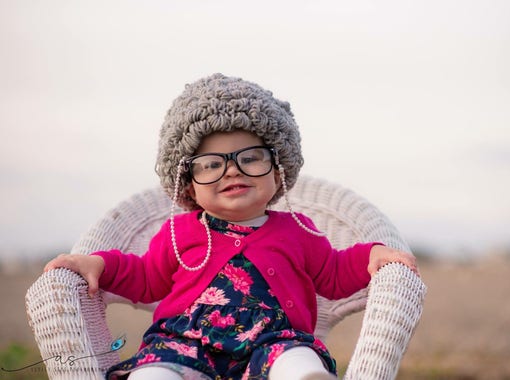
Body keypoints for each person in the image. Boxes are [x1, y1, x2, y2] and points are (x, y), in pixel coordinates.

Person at [44, 73, 418, 380]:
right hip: (183, 344)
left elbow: (334, 273)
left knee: (298, 359)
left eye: (251, 157)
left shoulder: (297, 230)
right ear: (188, 183)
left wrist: (372, 256)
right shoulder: (179, 233)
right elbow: (144, 277)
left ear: (278, 169)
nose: (233, 170)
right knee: (154, 372)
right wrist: (100, 265)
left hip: (273, 343)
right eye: (210, 163)